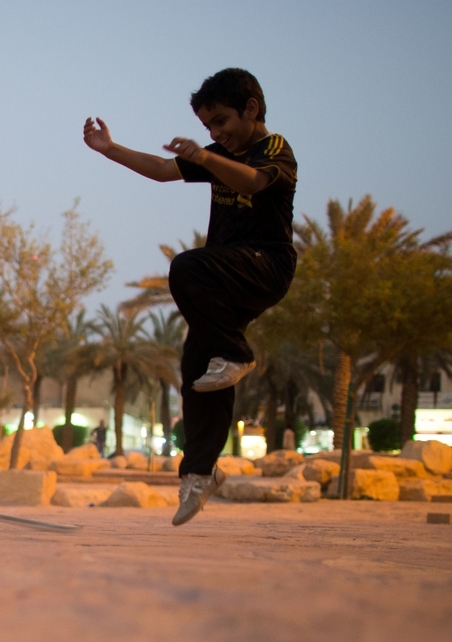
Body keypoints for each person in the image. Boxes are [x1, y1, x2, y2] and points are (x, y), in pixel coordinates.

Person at [83, 68, 297, 526]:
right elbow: (162, 171)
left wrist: (206, 155)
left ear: (252, 109)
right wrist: (110, 149)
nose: (218, 134)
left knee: (186, 265)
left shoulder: (273, 149)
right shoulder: (217, 152)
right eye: (209, 128)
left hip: (266, 265)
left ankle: (236, 352)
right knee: (199, 369)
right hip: (225, 275)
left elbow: (253, 184)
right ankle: (200, 473)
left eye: (222, 122)